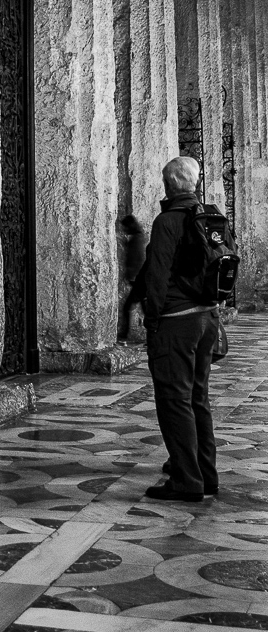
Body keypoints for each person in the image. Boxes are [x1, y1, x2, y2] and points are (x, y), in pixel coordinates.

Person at [142, 156, 220, 503]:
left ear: (169, 185)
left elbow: (156, 276)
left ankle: (187, 480)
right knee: (197, 398)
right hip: (207, 318)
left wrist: (152, 320)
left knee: (174, 400)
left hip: (176, 321)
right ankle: (206, 473)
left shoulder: (168, 221)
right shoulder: (212, 216)